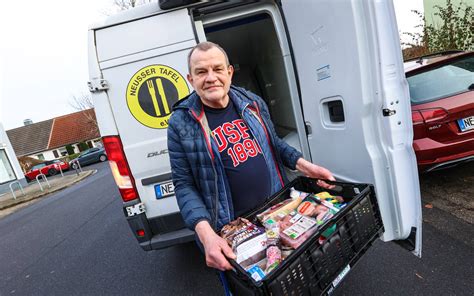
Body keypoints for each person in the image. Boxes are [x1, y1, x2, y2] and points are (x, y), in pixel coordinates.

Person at [167, 41, 335, 272]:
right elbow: (184, 184)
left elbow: (273, 143)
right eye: (201, 72)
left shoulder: (252, 103)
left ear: (229, 73)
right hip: (234, 230)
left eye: (217, 69)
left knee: (298, 272)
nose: (211, 77)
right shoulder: (180, 122)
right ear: (191, 79)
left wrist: (305, 166)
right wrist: (206, 235)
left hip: (277, 212)